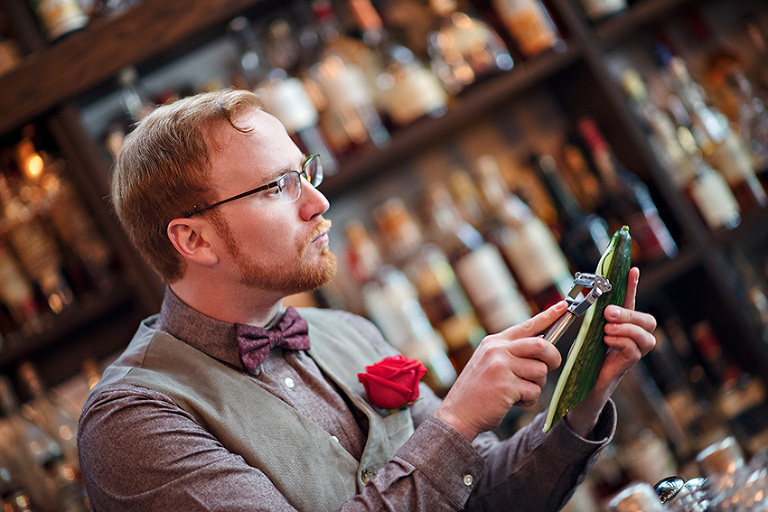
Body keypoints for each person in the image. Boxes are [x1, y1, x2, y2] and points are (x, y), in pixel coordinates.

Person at [78, 88, 657, 511]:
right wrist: (454, 421)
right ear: (192, 239)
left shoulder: (347, 331)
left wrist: (582, 394)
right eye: (277, 188)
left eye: (306, 173)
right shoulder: (133, 420)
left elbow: (482, 497)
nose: (317, 203)